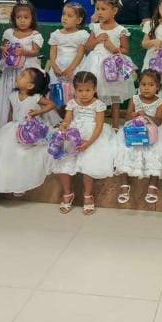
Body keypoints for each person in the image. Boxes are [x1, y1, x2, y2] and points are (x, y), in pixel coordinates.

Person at [50, 71, 116, 215]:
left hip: (92, 136)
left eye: (88, 90)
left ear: (95, 89)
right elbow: (67, 120)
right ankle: (67, 193)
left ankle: (88, 194)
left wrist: (89, 143)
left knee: (88, 164)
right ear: (75, 90)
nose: (84, 94)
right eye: (80, 90)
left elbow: (99, 127)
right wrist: (64, 127)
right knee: (64, 162)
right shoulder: (72, 103)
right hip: (74, 134)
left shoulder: (98, 105)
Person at [0, 68, 55, 195]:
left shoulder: (36, 98)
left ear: (30, 85)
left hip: (29, 129)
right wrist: (8, 126)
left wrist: (38, 112)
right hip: (14, 127)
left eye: (23, 76)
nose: (18, 77)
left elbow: (51, 104)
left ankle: (19, 184)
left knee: (21, 153)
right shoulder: (12, 96)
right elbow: (12, 113)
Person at [113, 69, 162, 204]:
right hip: (134, 129)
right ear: (139, 85)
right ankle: (124, 185)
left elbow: (158, 121)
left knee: (156, 152)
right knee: (124, 149)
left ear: (158, 87)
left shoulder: (160, 102)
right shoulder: (134, 99)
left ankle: (152, 186)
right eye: (143, 84)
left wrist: (146, 115)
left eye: (151, 85)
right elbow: (127, 116)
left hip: (153, 131)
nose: (146, 88)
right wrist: (133, 115)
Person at [79, 0, 135, 129]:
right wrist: (97, 40)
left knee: (115, 97)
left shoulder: (120, 30)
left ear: (114, 11)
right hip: (95, 64)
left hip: (112, 66)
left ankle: (115, 126)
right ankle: (97, 124)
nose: (99, 12)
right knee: (95, 93)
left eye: (103, 9)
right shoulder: (95, 28)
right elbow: (87, 47)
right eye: (97, 9)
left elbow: (126, 50)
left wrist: (113, 48)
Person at [0, 1, 43, 131]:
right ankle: (3, 126)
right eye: (18, 17)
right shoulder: (9, 32)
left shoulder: (35, 35)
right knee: (7, 97)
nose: (22, 20)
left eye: (26, 17)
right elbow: (3, 46)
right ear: (14, 18)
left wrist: (24, 52)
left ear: (32, 18)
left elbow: (36, 52)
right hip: (10, 71)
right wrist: (2, 49)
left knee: (24, 96)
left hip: (25, 71)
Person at [47, 3, 89, 114]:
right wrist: (54, 66)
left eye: (69, 16)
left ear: (79, 20)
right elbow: (52, 52)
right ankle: (57, 117)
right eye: (63, 14)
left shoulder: (82, 35)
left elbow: (80, 53)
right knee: (57, 93)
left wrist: (71, 69)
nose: (65, 18)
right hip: (58, 68)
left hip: (75, 67)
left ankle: (75, 115)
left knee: (73, 92)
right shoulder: (56, 34)